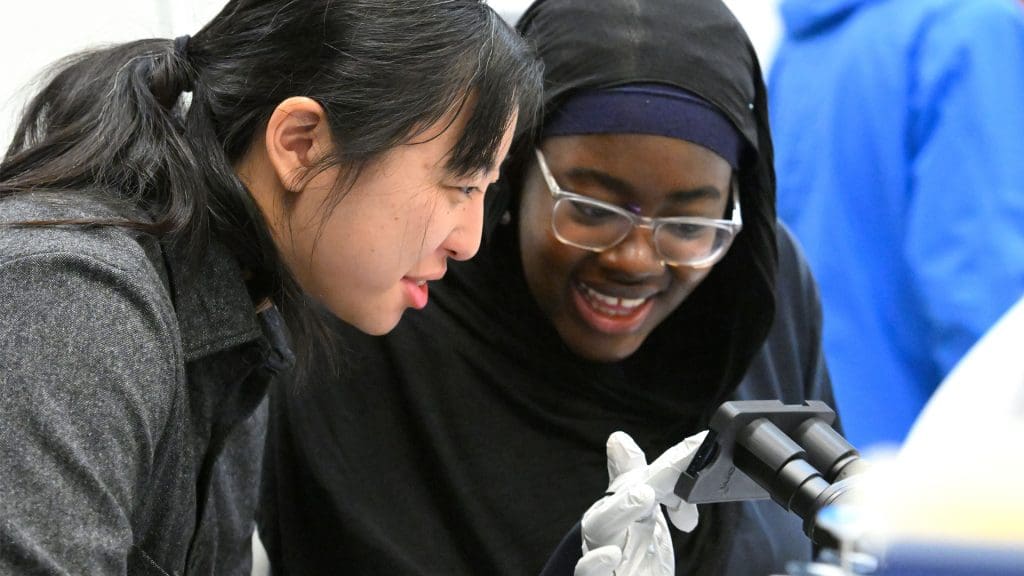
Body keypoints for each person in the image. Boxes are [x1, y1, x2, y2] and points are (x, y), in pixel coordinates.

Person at [258, 0, 838, 575]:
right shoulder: (381, 314)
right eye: (590, 210)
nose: (635, 260)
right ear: (509, 174)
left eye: (688, 227)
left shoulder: (756, 299)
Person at [0, 1, 543, 574]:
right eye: (460, 183)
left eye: (488, 188)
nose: (470, 241)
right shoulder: (74, 302)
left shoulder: (240, 316)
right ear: (302, 144)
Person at [768, 0, 1024, 449]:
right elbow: (985, 302)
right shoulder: (970, 29)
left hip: (806, 457)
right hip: (931, 476)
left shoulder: (801, 49)